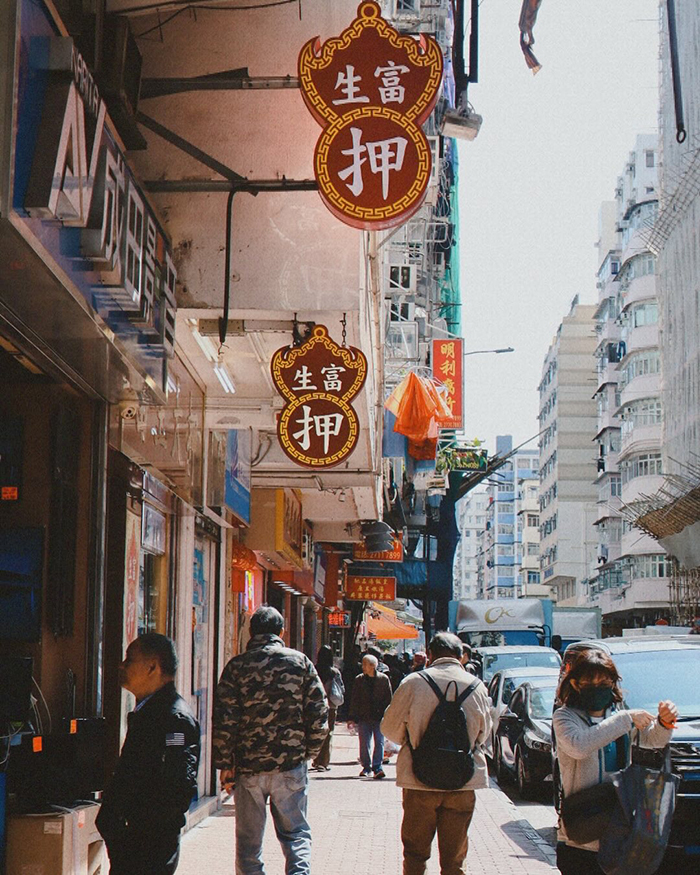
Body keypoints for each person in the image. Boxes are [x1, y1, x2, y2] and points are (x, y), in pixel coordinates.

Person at [213, 606, 328, 875]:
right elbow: (319, 712)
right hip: (290, 765)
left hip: (249, 767)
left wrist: (225, 763)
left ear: (251, 632)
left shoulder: (237, 667)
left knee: (248, 844)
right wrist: (307, 752)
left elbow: (225, 719)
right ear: (282, 631)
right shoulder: (300, 662)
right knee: (296, 834)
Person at [553, 649, 678, 874]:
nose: (597, 685)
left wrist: (665, 722)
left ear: (613, 683)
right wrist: (626, 720)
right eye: (589, 680)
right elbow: (579, 746)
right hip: (581, 832)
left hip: (618, 833)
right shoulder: (564, 717)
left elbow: (653, 739)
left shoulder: (619, 715)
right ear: (574, 683)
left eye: (604, 680)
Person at [381, 632, 492, 875]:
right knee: (454, 861)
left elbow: (388, 728)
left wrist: (412, 741)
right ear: (461, 656)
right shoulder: (477, 686)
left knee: (415, 855)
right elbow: (484, 736)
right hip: (462, 783)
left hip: (418, 780)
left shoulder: (413, 682)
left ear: (429, 655)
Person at [96, 633, 200, 875]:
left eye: (129, 659)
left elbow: (178, 788)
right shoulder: (150, 711)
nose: (122, 666)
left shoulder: (174, 718)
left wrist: (137, 827)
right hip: (133, 843)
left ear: (152, 667)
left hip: (148, 847)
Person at [349, 653, 392, 779]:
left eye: (365, 664)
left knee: (379, 742)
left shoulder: (383, 679)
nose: (363, 667)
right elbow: (354, 699)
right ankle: (366, 767)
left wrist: (388, 715)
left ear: (372, 666)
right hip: (364, 716)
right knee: (364, 743)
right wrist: (352, 717)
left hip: (379, 717)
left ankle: (377, 767)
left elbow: (389, 698)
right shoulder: (359, 679)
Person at [312, 645, 344, 771]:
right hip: (331, 706)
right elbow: (341, 688)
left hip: (316, 705)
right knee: (328, 732)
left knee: (316, 730)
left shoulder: (314, 669)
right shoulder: (334, 672)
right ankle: (323, 762)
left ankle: (315, 759)